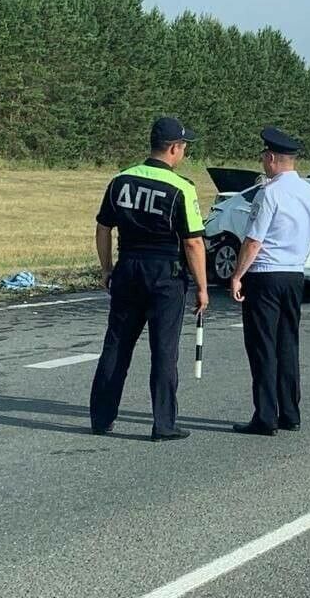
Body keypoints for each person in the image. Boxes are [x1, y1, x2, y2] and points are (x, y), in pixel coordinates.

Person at [90, 117, 208, 442]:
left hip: (128, 268)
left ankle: (101, 417)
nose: (183, 152)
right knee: (164, 350)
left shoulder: (121, 179)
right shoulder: (181, 187)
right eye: (184, 147)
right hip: (164, 274)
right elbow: (193, 241)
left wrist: (106, 268)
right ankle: (163, 424)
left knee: (116, 344)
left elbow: (103, 227)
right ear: (173, 148)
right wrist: (202, 286)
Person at [230, 127, 310, 436]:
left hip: (265, 273)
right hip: (294, 273)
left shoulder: (269, 192)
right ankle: (290, 412)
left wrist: (238, 274)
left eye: (263, 158)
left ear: (271, 158)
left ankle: (265, 415)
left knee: (263, 345)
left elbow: (253, 240)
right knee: (287, 344)